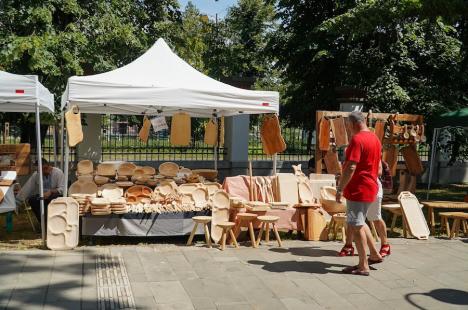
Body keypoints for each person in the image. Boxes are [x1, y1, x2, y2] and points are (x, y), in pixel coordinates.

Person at [336, 111, 383, 276]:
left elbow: (351, 167)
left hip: (358, 188)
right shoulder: (374, 138)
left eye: (348, 125)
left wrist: (340, 188)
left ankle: (363, 265)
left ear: (354, 124)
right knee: (361, 222)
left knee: (356, 226)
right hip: (370, 186)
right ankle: (375, 255)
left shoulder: (357, 139)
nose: (348, 128)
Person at [338, 160, 391, 257]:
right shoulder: (352, 154)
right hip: (357, 188)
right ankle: (349, 245)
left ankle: (385, 245)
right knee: (352, 218)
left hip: (371, 187)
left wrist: (360, 171)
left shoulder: (371, 154)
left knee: (375, 217)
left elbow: (379, 172)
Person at [16, 158, 64, 228]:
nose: (39, 172)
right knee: (32, 200)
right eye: (38, 170)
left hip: (56, 195)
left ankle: (53, 223)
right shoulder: (37, 174)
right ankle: (43, 223)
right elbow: (28, 187)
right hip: (43, 195)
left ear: (46, 167)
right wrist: (18, 200)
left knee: (50, 200)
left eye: (40, 170)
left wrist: (50, 191)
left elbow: (62, 188)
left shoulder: (58, 173)